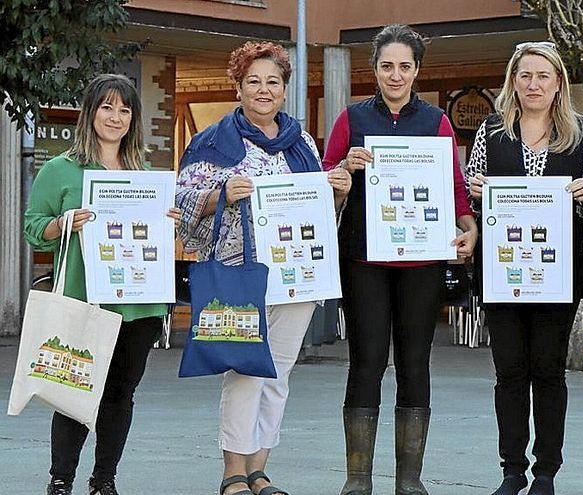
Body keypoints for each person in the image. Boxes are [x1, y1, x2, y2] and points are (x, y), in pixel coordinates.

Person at [175, 41, 351, 495]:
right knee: (245, 368)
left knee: (278, 372)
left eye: (273, 81)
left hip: (297, 275)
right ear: (238, 86)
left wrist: (337, 191)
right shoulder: (213, 140)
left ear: (284, 88)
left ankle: (259, 469)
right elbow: (182, 200)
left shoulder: (303, 143)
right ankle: (233, 469)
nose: (263, 89)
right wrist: (221, 193)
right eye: (253, 81)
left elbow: (319, 213)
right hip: (239, 273)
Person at [323, 23, 478, 495]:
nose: (395, 75)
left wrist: (468, 226)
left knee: (416, 362)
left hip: (422, 263)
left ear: (417, 70)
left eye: (404, 66)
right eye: (387, 66)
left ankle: (409, 480)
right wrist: (343, 171)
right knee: (366, 361)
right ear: (374, 69)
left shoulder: (436, 121)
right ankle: (357, 478)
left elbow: (453, 186)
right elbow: (324, 185)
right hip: (364, 259)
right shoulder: (350, 120)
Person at [23, 74, 181, 495]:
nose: (116, 117)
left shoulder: (144, 174)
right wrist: (63, 222)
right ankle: (61, 481)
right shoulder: (61, 170)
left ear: (134, 119)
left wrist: (167, 224)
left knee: (120, 395)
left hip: (140, 305)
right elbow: (33, 229)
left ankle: (104, 480)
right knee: (73, 393)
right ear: (90, 112)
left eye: (125, 109)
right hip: (85, 300)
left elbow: (157, 238)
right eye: (107, 107)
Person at [466, 41, 583, 495]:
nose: (533, 84)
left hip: (558, 274)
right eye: (525, 75)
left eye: (543, 75)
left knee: (548, 371)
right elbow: (470, 192)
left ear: (558, 82)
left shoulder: (582, 132)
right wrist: (476, 192)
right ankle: (511, 470)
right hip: (502, 271)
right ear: (513, 81)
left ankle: (546, 472)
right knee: (509, 373)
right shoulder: (490, 131)